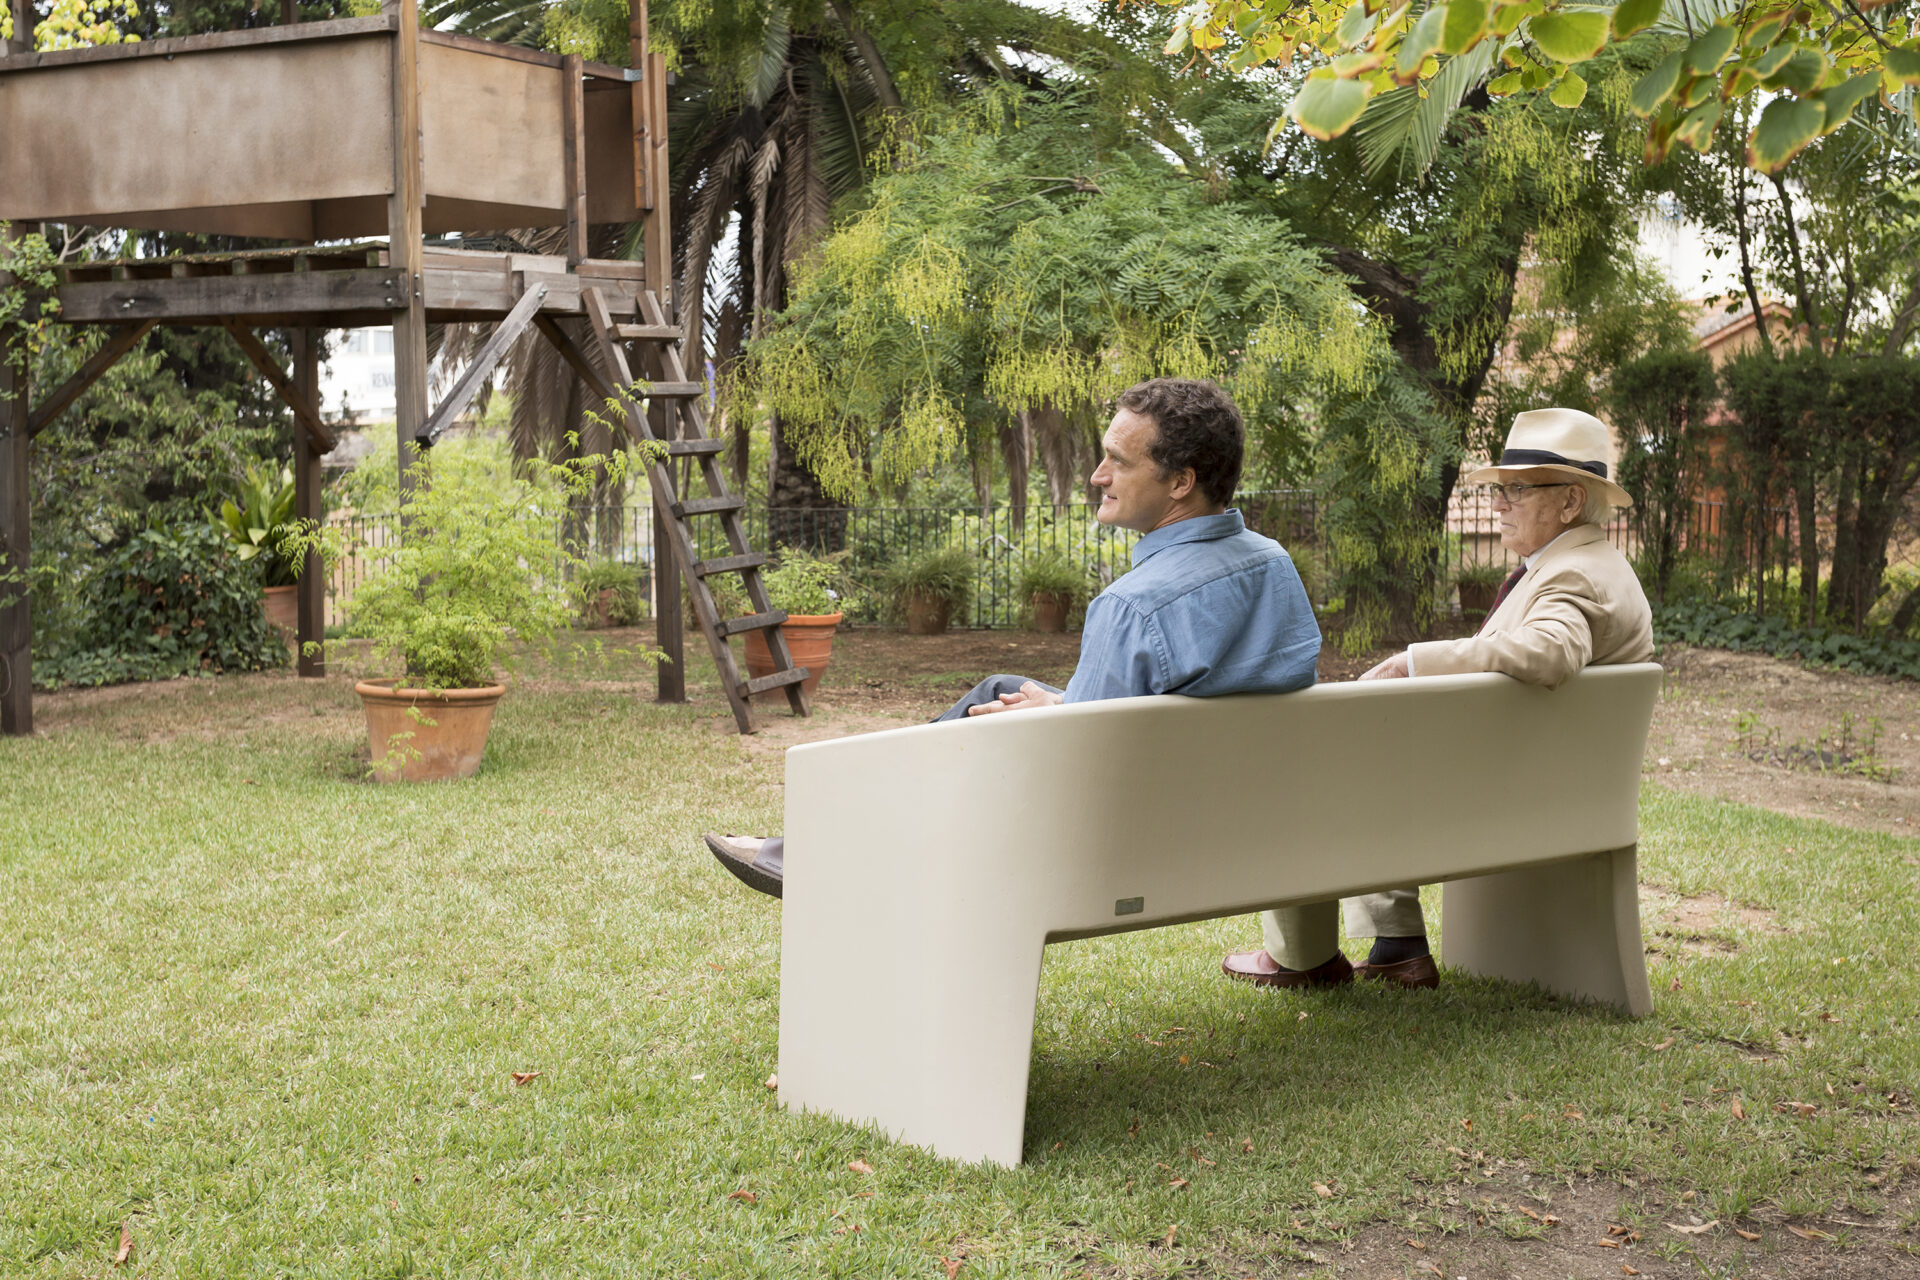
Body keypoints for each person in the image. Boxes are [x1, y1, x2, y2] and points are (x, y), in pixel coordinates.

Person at [707, 377, 1323, 897]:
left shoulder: (1134, 606)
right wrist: (1063, 705)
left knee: (986, 722)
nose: (1095, 474)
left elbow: (1089, 767)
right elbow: (1205, 700)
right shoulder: (1273, 565)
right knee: (1003, 690)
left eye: (1119, 461)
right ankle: (805, 846)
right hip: (1257, 819)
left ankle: (814, 851)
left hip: (1125, 843)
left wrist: (1058, 718)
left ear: (1181, 482)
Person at [1221, 407, 1655, 990]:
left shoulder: (1572, 575)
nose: (1498, 505)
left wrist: (1414, 662)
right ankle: (1395, 947)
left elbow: (1551, 651)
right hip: (1554, 790)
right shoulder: (1593, 565)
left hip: (1516, 801)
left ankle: (1305, 956)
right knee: (1366, 751)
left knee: (1320, 757)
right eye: (1500, 490)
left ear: (1571, 502)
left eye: (1517, 490)